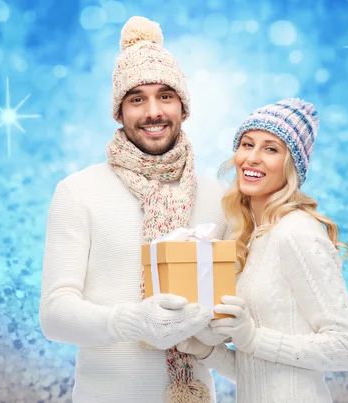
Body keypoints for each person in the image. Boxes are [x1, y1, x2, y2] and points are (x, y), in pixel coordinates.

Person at [39, 16, 229, 403]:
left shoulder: (218, 198)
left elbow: (230, 313)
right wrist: (132, 322)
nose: (153, 112)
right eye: (137, 99)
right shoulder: (79, 192)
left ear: (183, 106)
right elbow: (55, 315)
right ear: (119, 112)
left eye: (165, 96)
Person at [178, 98, 348, 402]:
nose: (252, 158)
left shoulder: (297, 232)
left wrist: (252, 337)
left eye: (271, 149)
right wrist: (206, 350)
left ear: (291, 166)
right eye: (247, 144)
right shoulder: (256, 239)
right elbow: (260, 372)